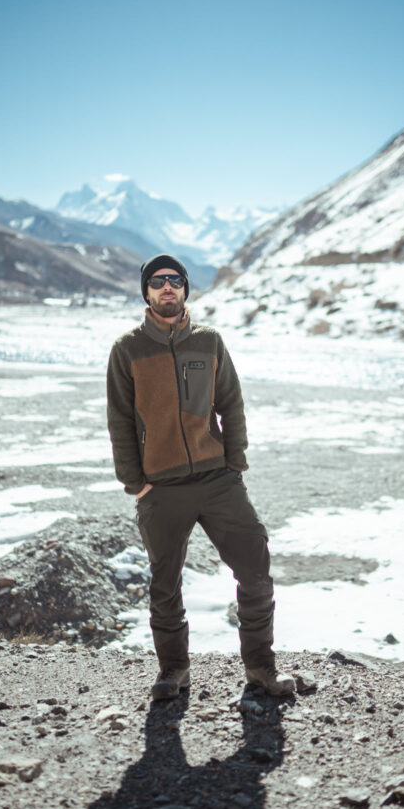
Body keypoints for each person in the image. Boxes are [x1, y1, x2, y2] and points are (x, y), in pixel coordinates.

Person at [106, 253, 295, 701]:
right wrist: (136, 483)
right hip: (161, 487)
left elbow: (231, 403)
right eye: (157, 281)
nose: (167, 287)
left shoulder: (209, 342)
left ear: (186, 289)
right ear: (146, 292)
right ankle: (174, 671)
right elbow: (118, 420)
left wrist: (235, 463)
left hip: (217, 480)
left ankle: (260, 667)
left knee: (255, 569)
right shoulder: (127, 349)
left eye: (175, 280)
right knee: (164, 584)